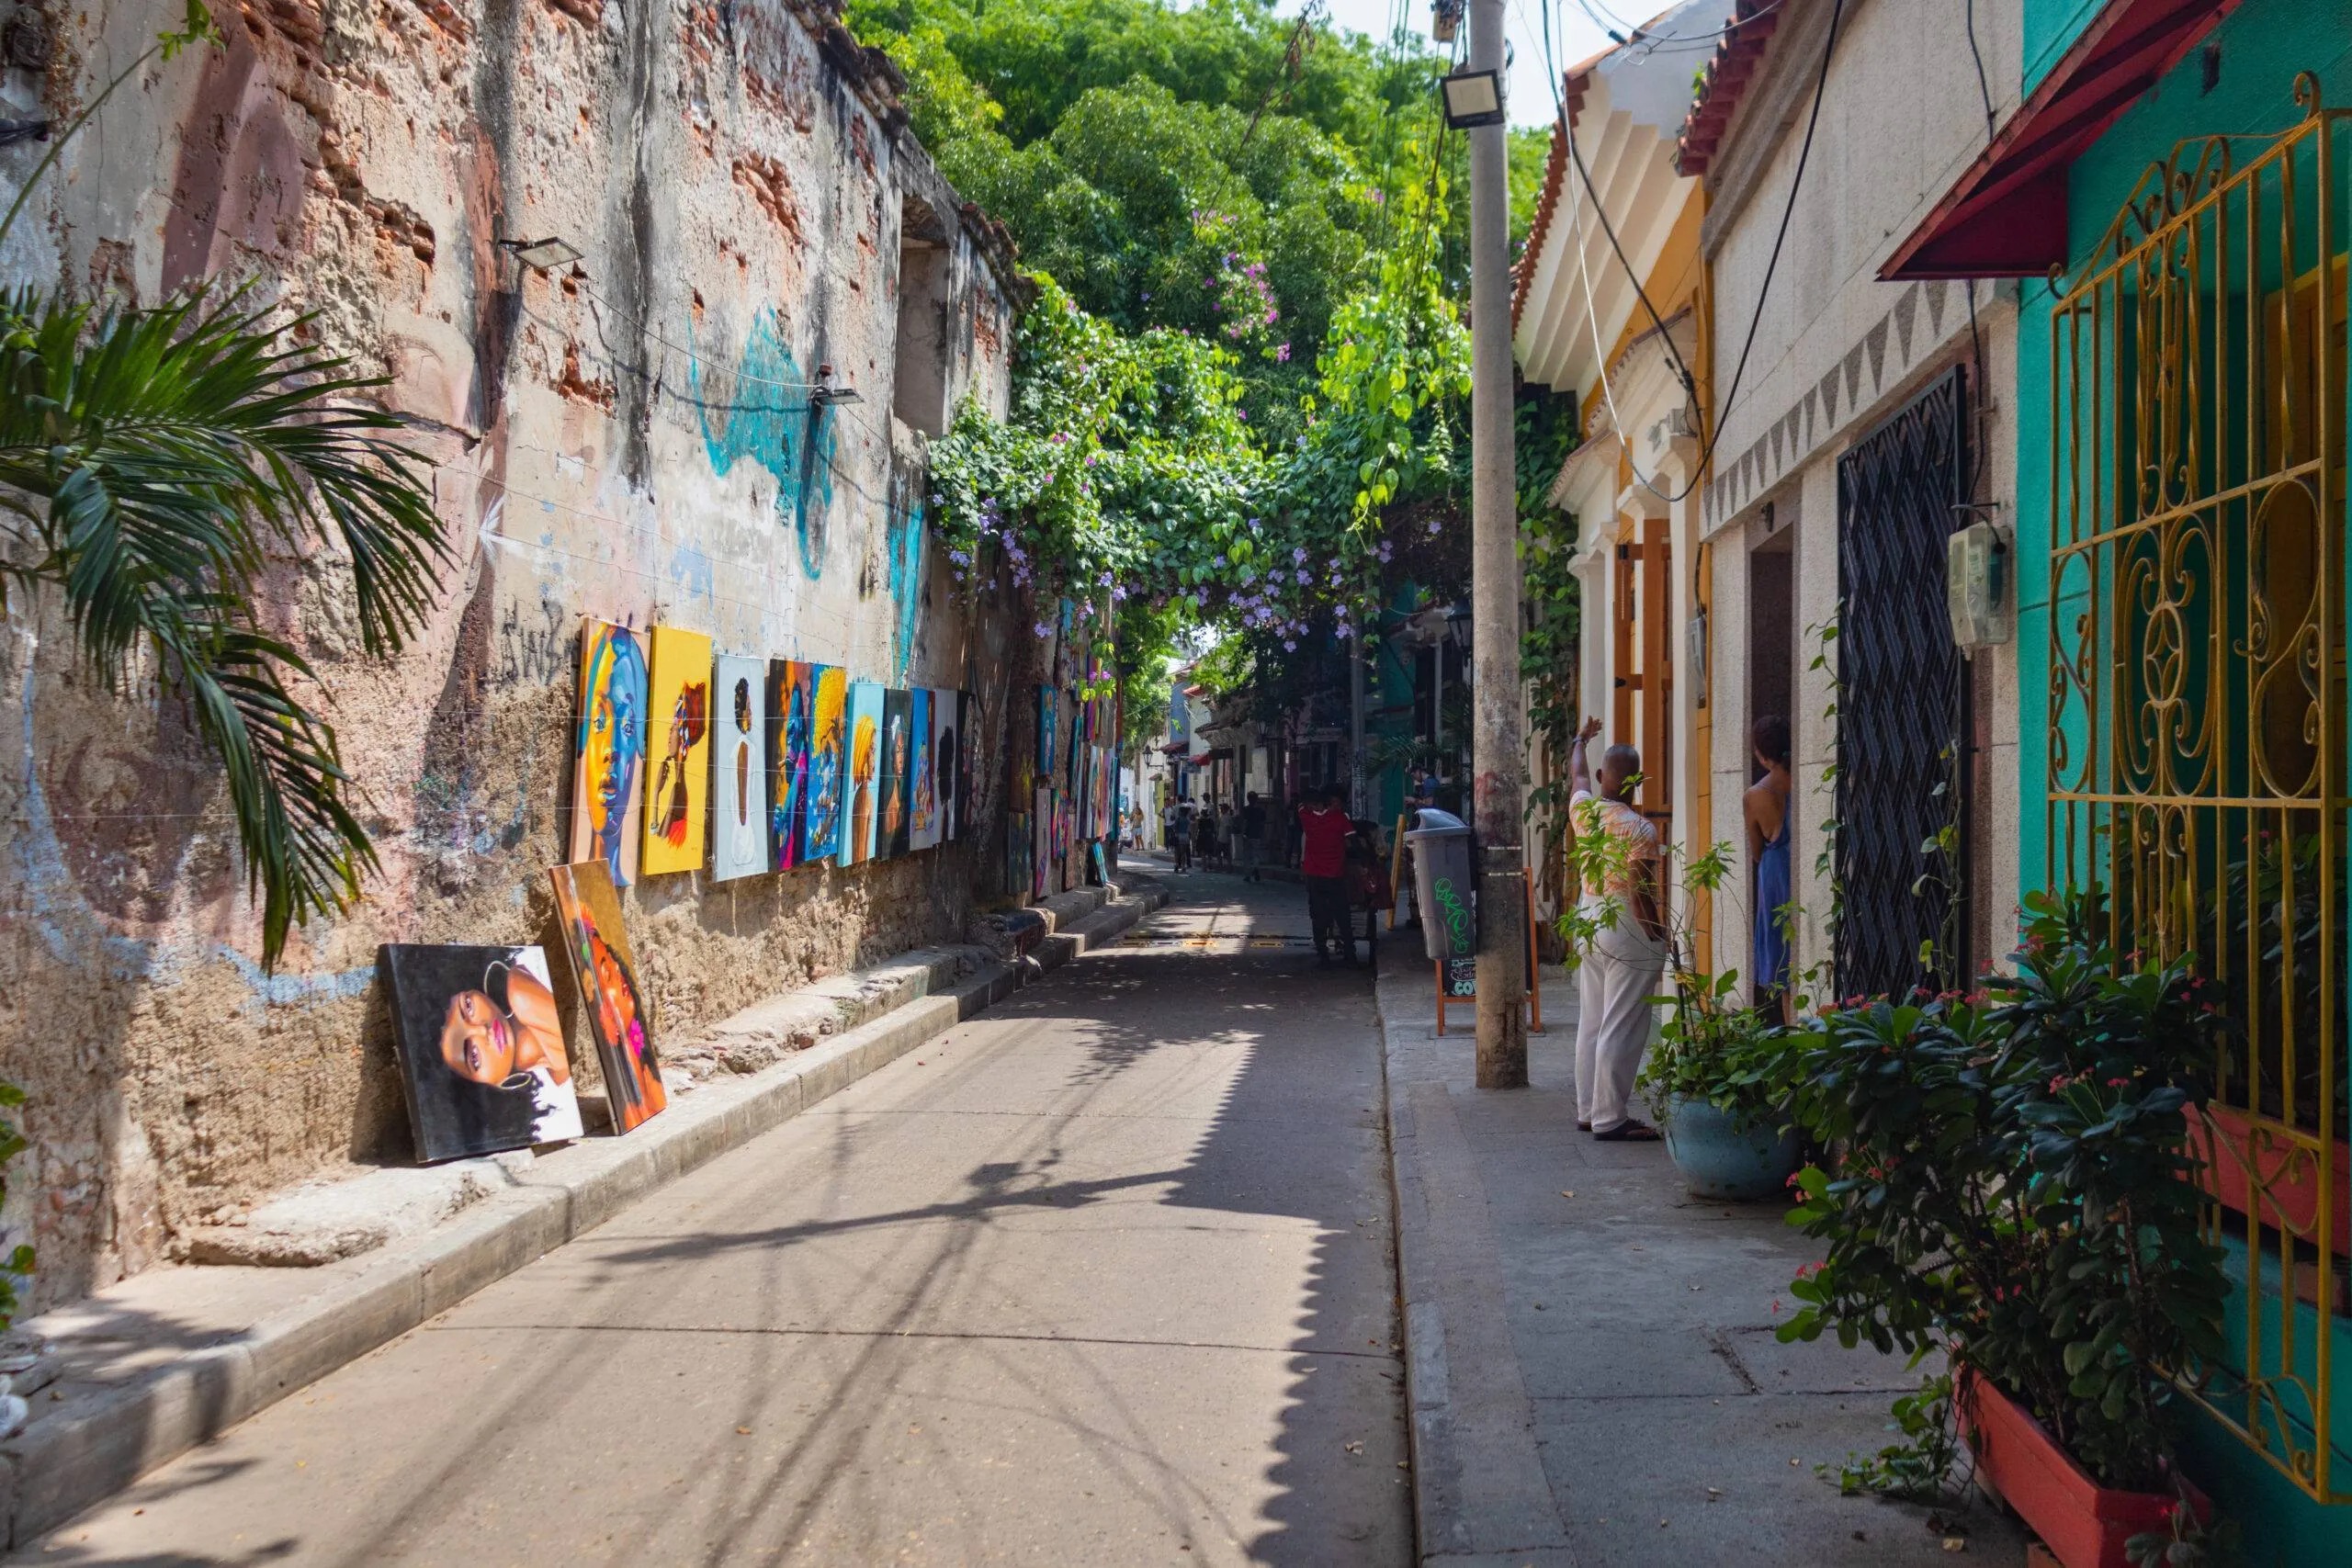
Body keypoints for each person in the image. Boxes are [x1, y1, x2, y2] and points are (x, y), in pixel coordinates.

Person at [1567, 716, 1667, 1140]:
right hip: (1626, 925)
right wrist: (1659, 935)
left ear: (1606, 776)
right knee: (1621, 1023)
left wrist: (1580, 740)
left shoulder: (1585, 811)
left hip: (1589, 919)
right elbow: (1640, 892)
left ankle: (1588, 1110)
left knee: (1592, 1021)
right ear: (1636, 782)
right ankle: (1610, 1118)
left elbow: (1577, 773)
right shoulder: (1641, 829)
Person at [1745, 714, 1795, 1021]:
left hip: (1775, 872)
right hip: (1796, 866)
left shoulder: (1754, 796)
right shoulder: (1800, 781)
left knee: (1784, 962)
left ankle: (1792, 1034)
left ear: (1761, 756)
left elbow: (1756, 850)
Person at [1297, 786, 1357, 965]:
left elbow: (1301, 806)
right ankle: (1349, 952)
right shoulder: (1339, 819)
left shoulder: (1306, 818)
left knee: (1319, 915)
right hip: (1335, 875)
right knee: (1342, 915)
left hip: (1314, 876)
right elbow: (1352, 840)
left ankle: (1323, 953)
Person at [1238, 793, 1269, 883]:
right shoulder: (1261, 811)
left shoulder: (1245, 810)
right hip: (1257, 834)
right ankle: (1256, 867)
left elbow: (1244, 822)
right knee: (1256, 853)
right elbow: (1263, 824)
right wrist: (1263, 834)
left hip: (1247, 834)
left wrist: (1242, 833)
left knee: (1247, 855)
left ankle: (1247, 875)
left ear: (1248, 799)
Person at [1166, 797, 1193, 873]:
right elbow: (1190, 825)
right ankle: (1184, 866)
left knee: (1177, 852)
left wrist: (1174, 830)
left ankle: (1177, 864)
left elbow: (1175, 827)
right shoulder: (1187, 819)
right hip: (1186, 836)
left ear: (1181, 812)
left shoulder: (1178, 819)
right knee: (1184, 852)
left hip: (1179, 836)